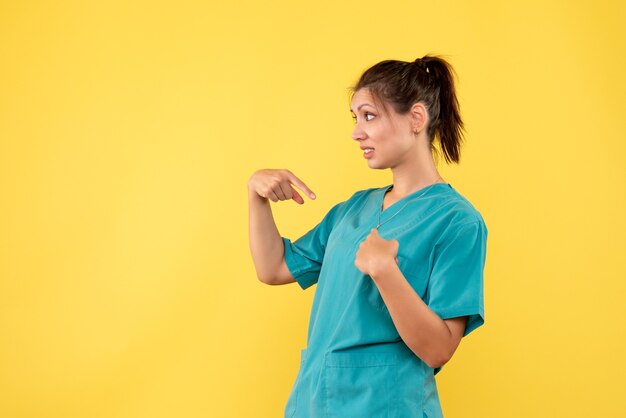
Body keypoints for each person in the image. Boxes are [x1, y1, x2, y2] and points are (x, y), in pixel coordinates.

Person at [247, 54, 488, 418]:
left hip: (387, 408)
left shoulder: (457, 221)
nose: (357, 132)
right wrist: (256, 197)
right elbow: (275, 268)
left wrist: (386, 272)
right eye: (356, 118)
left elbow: (440, 348)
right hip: (315, 403)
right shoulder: (354, 210)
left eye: (369, 116)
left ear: (416, 119)